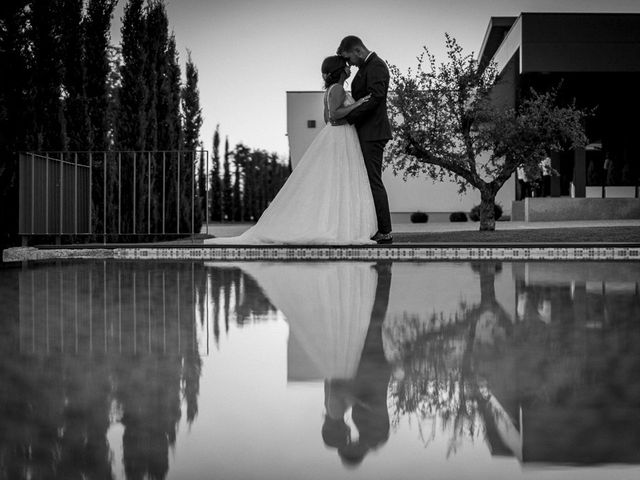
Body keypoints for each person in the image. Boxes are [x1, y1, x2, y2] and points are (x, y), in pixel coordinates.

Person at [204, 55, 377, 245]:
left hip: (339, 135)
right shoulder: (337, 89)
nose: (348, 67)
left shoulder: (330, 90)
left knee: (336, 181)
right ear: (340, 70)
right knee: (340, 180)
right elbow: (334, 116)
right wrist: (357, 104)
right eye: (345, 65)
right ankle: (338, 226)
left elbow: (328, 119)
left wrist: (348, 114)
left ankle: (336, 224)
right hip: (340, 137)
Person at [337, 36, 394, 244]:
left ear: (358, 50)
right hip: (366, 131)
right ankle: (372, 227)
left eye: (349, 58)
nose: (349, 63)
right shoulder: (364, 68)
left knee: (373, 181)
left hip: (373, 133)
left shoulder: (377, 66)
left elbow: (376, 97)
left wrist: (349, 116)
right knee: (367, 181)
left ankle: (385, 231)